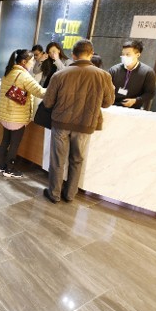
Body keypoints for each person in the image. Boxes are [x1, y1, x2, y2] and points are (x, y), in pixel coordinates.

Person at [42, 39, 115, 203]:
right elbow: (107, 103)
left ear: (73, 55)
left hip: (61, 123)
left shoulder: (60, 74)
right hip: (85, 124)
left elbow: (48, 102)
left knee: (58, 160)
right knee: (77, 160)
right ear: (91, 54)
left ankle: (54, 194)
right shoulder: (104, 75)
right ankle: (70, 194)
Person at [0, 49, 46, 178]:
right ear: (24, 62)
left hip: (5, 115)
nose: (33, 63)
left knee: (5, 141)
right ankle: (9, 169)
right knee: (14, 143)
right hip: (17, 117)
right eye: (32, 60)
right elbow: (40, 92)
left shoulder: (8, 72)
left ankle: (0, 165)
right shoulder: (24, 76)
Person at [108, 40, 156, 109]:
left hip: (133, 108)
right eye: (123, 54)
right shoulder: (114, 70)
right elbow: (105, 88)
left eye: (128, 54)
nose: (124, 57)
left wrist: (135, 100)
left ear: (138, 55)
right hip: (112, 106)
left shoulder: (148, 72)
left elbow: (150, 93)